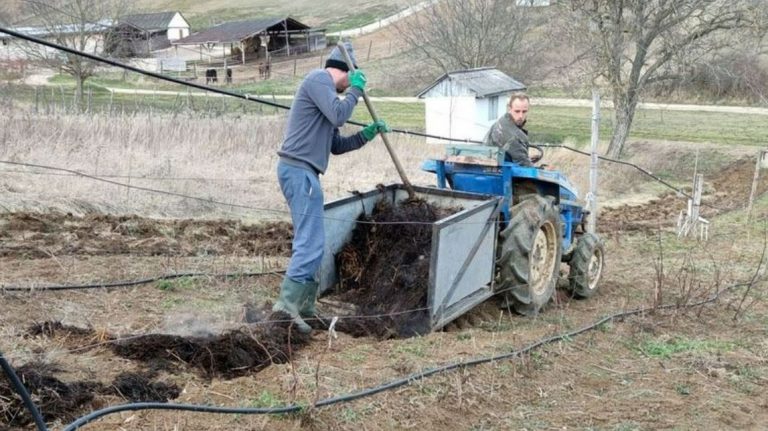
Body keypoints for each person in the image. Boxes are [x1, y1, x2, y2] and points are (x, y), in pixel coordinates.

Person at [273, 42, 390, 333]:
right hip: (299, 171)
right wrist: (356, 91)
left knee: (315, 242)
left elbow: (336, 145)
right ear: (347, 72)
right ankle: (286, 309)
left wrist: (366, 135)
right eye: (353, 78)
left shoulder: (327, 97)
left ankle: (306, 308)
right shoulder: (318, 80)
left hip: (307, 173)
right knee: (309, 242)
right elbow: (339, 114)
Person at [483, 92, 533, 167]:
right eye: (517, 111)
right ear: (510, 109)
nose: (520, 116)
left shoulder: (503, 120)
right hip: (497, 171)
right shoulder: (511, 134)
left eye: (524, 111)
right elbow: (524, 164)